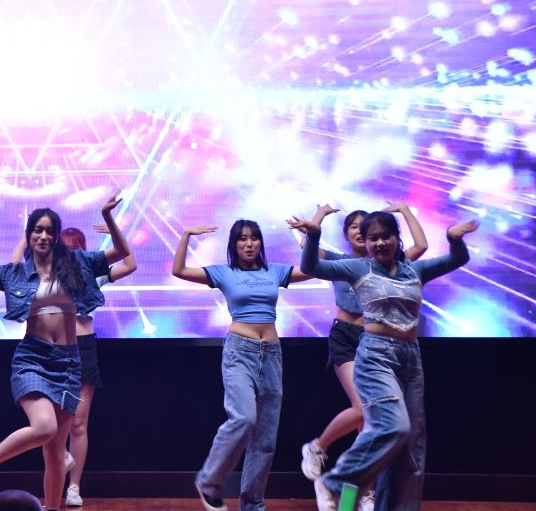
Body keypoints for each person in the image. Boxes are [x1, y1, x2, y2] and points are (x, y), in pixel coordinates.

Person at [0, 197, 131, 511]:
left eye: (49, 231)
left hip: (69, 362)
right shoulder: (15, 273)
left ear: (56, 236)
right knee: (45, 427)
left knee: (56, 453)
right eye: (37, 230)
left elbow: (122, 252)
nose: (43, 236)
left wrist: (108, 216)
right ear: (29, 235)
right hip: (33, 358)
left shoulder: (78, 264)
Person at [291, 209, 478, 511]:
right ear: (363, 241)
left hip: (410, 358)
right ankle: (335, 481)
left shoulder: (412, 270)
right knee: (392, 425)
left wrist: (454, 239)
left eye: (386, 237)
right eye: (372, 238)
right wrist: (314, 234)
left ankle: (377, 501)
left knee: (409, 448)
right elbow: (310, 265)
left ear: (396, 238)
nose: (379, 243)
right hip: (374, 353)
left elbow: (456, 259)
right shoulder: (356, 266)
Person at [172, 219, 313, 511]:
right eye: (242, 239)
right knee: (243, 418)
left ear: (260, 242)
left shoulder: (274, 271)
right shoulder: (224, 273)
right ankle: (209, 481)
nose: (249, 244)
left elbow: (311, 269)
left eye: (254, 238)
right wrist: (186, 235)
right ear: (234, 245)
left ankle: (253, 504)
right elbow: (179, 270)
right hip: (240, 351)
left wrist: (311, 237)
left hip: (272, 353)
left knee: (265, 438)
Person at [295, 201, 428, 510]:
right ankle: (318, 449)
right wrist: (318, 218)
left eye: (364, 226)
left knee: (375, 428)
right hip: (347, 337)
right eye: (353, 227)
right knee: (366, 411)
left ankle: (357, 495)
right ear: (349, 235)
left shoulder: (393, 264)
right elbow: (308, 253)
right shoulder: (342, 262)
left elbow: (421, 247)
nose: (359, 231)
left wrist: (405, 211)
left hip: (384, 343)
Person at [11, 225, 137, 508]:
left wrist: (114, 232)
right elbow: (14, 268)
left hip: (84, 348)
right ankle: (59, 472)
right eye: (66, 247)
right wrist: (26, 236)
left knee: (78, 423)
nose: (72, 253)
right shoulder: (42, 274)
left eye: (77, 247)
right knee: (50, 423)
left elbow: (130, 264)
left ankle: (74, 487)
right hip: (49, 349)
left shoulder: (90, 273)